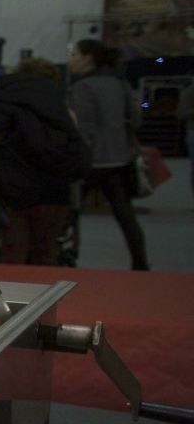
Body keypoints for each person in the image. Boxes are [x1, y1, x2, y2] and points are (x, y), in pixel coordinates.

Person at [0, 58, 89, 266]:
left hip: (12, 192)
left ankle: (11, 297)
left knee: (12, 255)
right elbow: (77, 155)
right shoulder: (62, 112)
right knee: (45, 253)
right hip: (54, 193)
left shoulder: (0, 110)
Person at [69, 39, 149, 270]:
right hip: (120, 159)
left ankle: (67, 259)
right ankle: (140, 262)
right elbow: (136, 117)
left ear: (87, 58)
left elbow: (86, 130)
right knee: (125, 215)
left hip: (92, 162)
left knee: (70, 214)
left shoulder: (83, 87)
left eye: (74, 54)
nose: (71, 59)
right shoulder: (119, 83)